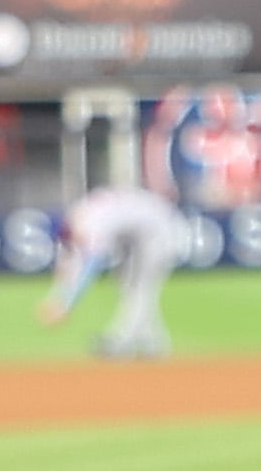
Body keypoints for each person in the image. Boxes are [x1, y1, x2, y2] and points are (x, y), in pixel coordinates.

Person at [40, 151, 182, 361]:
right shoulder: (78, 215)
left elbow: (90, 267)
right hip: (137, 236)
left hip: (163, 230)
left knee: (140, 287)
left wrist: (66, 304)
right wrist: (58, 295)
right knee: (127, 284)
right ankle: (153, 343)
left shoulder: (90, 222)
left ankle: (121, 341)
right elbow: (69, 258)